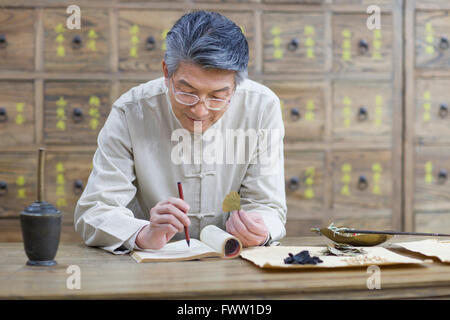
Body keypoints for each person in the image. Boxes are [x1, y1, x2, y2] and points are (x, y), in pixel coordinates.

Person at [74, 10, 287, 254]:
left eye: (218, 96)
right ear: (167, 72)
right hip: (152, 267)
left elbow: (267, 205)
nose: (200, 110)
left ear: (236, 85)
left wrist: (260, 228)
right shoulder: (131, 112)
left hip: (230, 262)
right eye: (187, 92)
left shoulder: (261, 107)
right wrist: (142, 233)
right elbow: (96, 209)